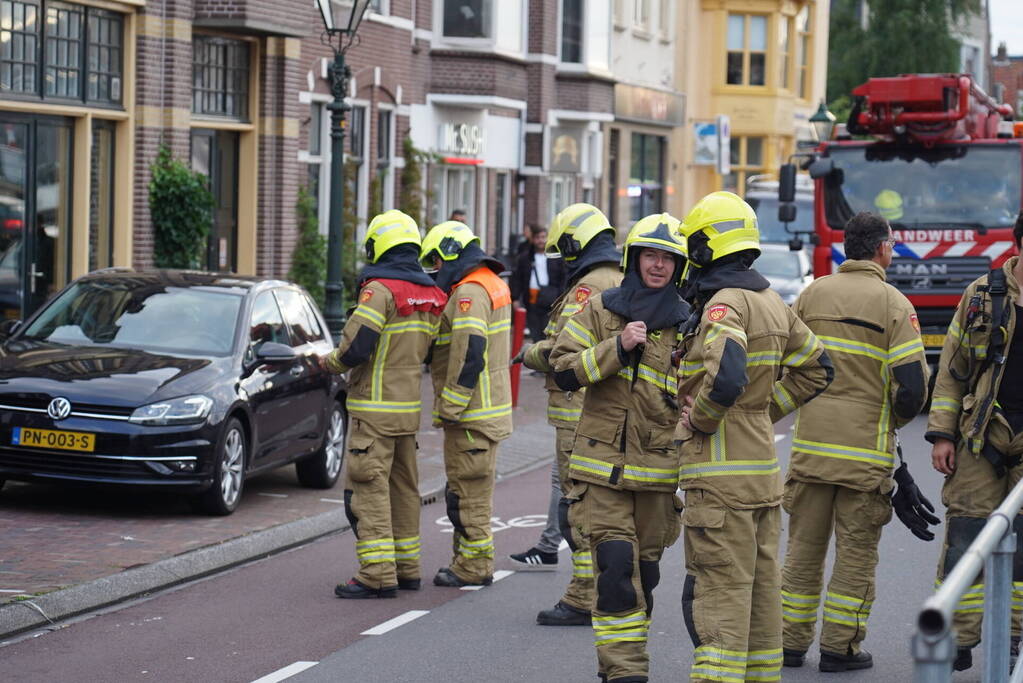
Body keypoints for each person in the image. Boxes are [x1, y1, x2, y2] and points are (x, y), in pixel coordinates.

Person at [676, 191, 833, 683]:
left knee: (720, 602)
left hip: (719, 485)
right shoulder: (771, 301)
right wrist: (763, 413)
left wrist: (697, 421)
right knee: (763, 602)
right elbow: (818, 368)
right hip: (762, 477)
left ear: (707, 247)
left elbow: (725, 378)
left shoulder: (724, 305)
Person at [779, 212, 930, 673]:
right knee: (855, 556)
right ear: (883, 248)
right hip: (864, 460)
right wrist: (891, 421)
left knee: (802, 552)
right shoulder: (895, 305)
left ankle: (788, 642)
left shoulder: (812, 294)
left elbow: (788, 363)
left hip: (810, 454)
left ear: (847, 247)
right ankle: (839, 648)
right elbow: (912, 389)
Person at [551, 213, 691, 683]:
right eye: (650, 255)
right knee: (613, 573)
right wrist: (615, 347)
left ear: (679, 267)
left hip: (657, 478)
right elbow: (562, 369)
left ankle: (630, 651)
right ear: (634, 259)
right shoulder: (601, 310)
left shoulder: (689, 322)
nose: (658, 266)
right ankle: (624, 672)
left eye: (668, 259)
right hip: (600, 472)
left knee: (644, 580)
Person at [322, 209, 447, 599]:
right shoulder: (431, 294)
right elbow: (432, 354)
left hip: (373, 411)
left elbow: (357, 347)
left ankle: (377, 572)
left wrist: (327, 363)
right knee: (404, 490)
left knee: (369, 488)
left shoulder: (379, 291)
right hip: (407, 412)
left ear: (379, 245)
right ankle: (407, 568)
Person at [511, 203, 623, 630]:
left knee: (576, 505)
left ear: (577, 244)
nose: (565, 262)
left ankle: (582, 597)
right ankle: (603, 590)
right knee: (600, 504)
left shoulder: (587, 288)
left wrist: (528, 352)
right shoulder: (619, 278)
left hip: (576, 412)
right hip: (605, 411)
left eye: (566, 253)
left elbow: (561, 350)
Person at [927, 210, 1023, 672]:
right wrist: (943, 434)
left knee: (1022, 542)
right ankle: (959, 637)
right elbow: (952, 371)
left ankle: (1012, 637)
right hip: (983, 433)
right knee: (966, 532)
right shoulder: (984, 296)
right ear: (1019, 247)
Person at [420, 220, 513, 587]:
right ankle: (468, 559)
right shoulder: (492, 283)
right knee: (474, 492)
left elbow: (470, 351)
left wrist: (451, 407)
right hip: (489, 413)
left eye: (438, 263)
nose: (437, 272)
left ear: (450, 254)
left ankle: (473, 565)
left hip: (471, 417)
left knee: (467, 494)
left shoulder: (469, 292)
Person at [511, 225, 565, 344]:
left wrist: (561, 296)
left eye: (543, 237)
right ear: (532, 239)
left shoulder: (556, 257)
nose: (541, 240)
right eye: (537, 237)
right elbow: (517, 278)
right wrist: (515, 298)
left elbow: (563, 278)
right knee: (535, 332)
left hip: (551, 300)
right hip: (532, 299)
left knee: (549, 332)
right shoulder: (524, 258)